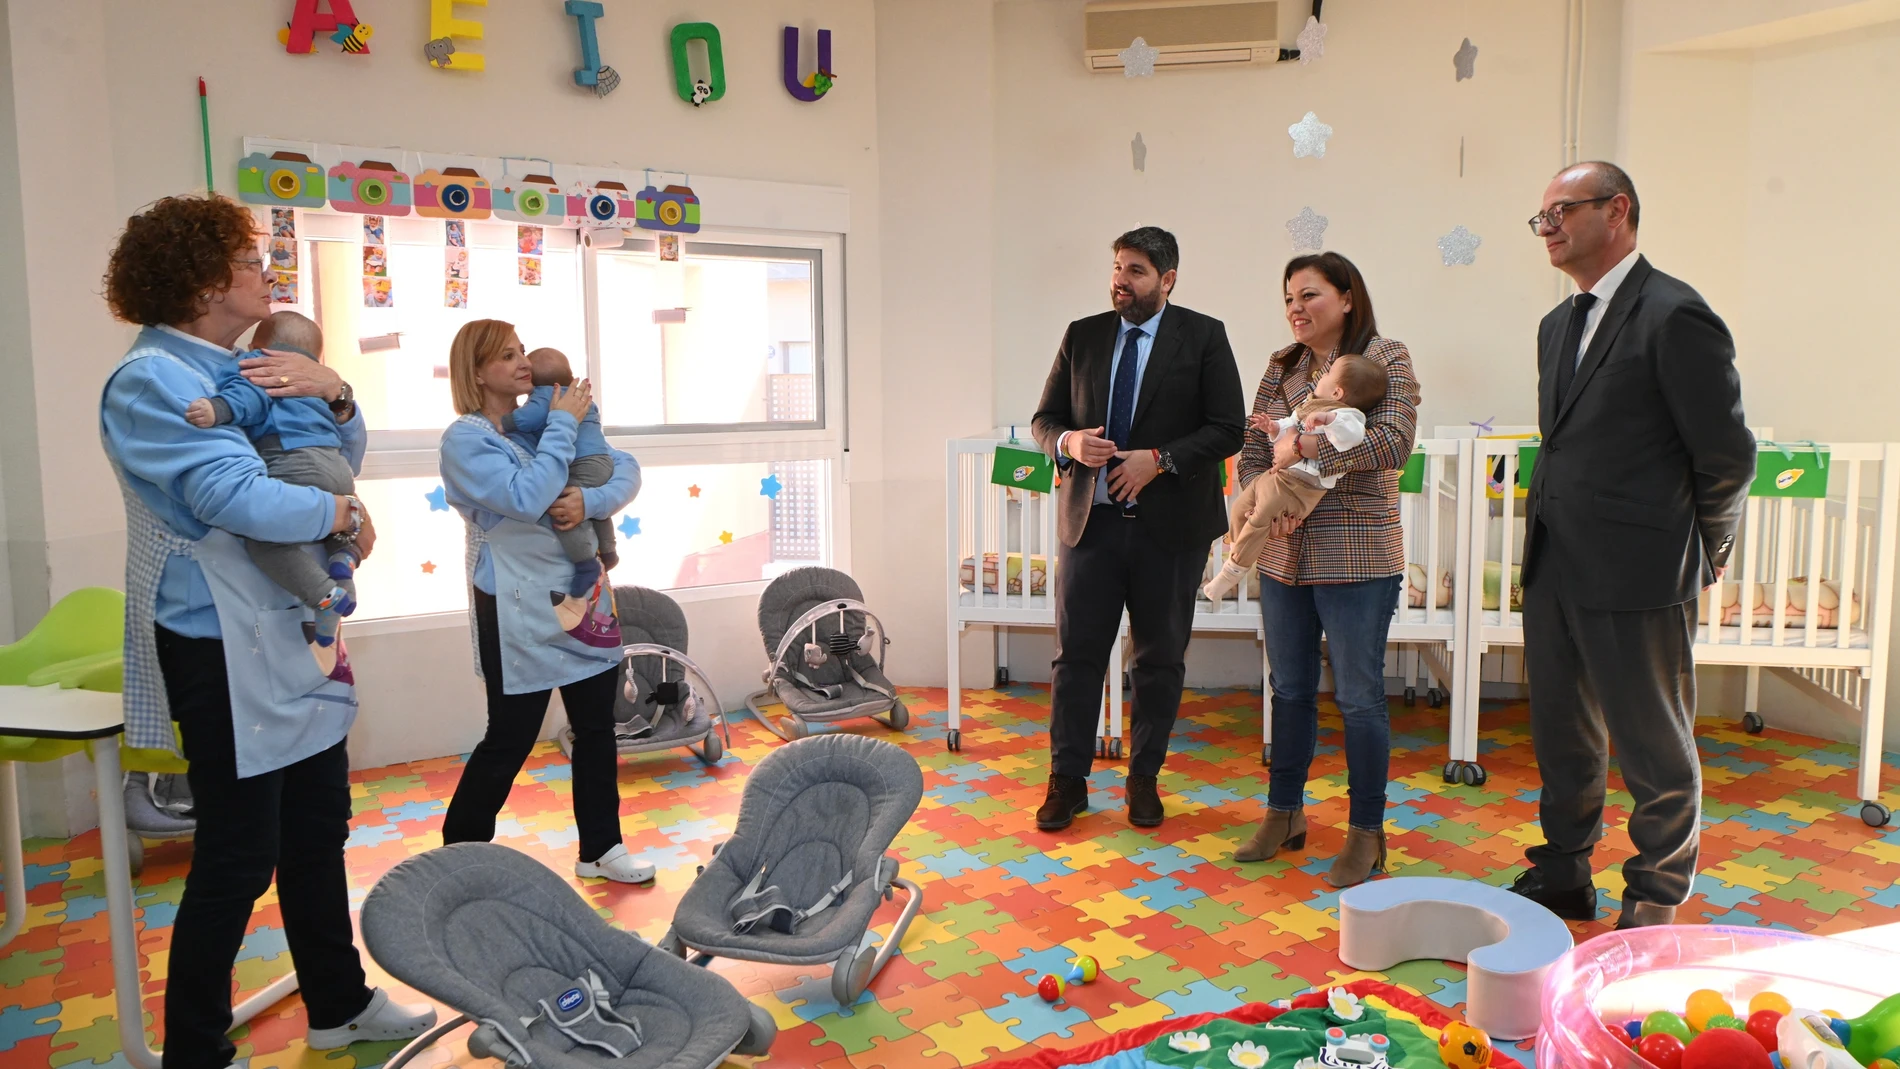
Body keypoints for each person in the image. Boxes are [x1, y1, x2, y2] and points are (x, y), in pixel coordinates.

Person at [100, 194, 434, 1069]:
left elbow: (328, 450)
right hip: (219, 639)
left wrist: (339, 391)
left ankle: (339, 1002)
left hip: (290, 623)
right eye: (249, 263)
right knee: (239, 854)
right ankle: (196, 1050)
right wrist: (339, 511)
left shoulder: (246, 363)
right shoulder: (155, 381)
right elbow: (233, 497)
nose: (264, 275)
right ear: (206, 281)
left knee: (318, 827)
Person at [1509, 161, 1754, 929]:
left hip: (1641, 567)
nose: (1547, 227)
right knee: (1562, 733)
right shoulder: (1557, 325)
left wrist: (1707, 547)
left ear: (1618, 211)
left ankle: (1655, 892)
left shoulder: (1674, 313)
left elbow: (1726, 454)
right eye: (1540, 217)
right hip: (1556, 561)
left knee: (1654, 743)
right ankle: (1564, 869)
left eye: (1562, 212)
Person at [1029, 226, 1246, 832]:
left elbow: (1229, 427)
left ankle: (1144, 779)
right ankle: (1067, 781)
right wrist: (1068, 441)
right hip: (1090, 526)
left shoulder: (1203, 336)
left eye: (1136, 272)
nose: (1120, 281)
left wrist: (1160, 459)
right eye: (1117, 268)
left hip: (1170, 531)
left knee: (1159, 661)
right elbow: (1045, 419)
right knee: (1076, 660)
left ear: (1167, 280)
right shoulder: (1084, 335)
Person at [437, 319, 656, 883]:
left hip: (583, 595)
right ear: (478, 371)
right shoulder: (468, 438)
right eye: (508, 356)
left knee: (596, 728)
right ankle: (458, 855)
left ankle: (601, 849)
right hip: (516, 606)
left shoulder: (536, 423)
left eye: (521, 353)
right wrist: (562, 423)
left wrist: (590, 500)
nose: (523, 364)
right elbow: (528, 494)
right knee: (509, 737)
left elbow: (620, 467)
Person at [1231, 252, 1421, 889]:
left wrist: (1304, 446)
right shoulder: (1281, 366)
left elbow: (1393, 441)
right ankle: (1284, 814)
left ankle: (1367, 833)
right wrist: (1265, 494)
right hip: (1285, 551)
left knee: (1360, 696)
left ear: (1346, 297)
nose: (1295, 308)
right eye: (1288, 297)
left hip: (1359, 553)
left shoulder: (1386, 357)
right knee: (1288, 689)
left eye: (1309, 295)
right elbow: (1254, 447)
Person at [185, 310, 360, 644]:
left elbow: (248, 397)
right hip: (337, 466)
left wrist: (217, 409)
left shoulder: (258, 363)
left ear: (256, 345)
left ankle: (325, 597)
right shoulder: (316, 379)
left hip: (293, 459)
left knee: (265, 542)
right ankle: (344, 562)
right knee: (337, 530)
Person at [1204, 353, 1388, 602]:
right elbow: (1288, 424)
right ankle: (1236, 547)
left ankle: (1233, 571)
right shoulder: (1308, 402)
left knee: (1260, 517)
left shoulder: (1348, 415)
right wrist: (1274, 428)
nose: (1320, 376)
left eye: (1328, 374)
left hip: (1300, 486)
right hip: (1276, 476)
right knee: (1239, 508)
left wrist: (1326, 421)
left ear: (1337, 393)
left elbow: (1353, 436)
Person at [504, 346, 619, 595]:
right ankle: (608, 550)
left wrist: (504, 423)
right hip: (602, 461)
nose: (521, 364)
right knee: (596, 510)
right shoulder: (579, 396)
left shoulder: (547, 397)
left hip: (582, 463)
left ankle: (585, 562)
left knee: (564, 510)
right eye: (509, 356)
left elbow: (525, 420)